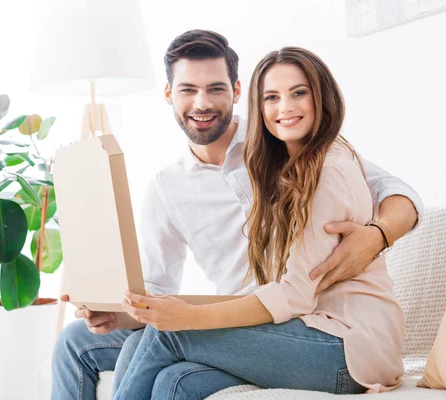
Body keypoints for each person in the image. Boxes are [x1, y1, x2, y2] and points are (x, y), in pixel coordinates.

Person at [51, 31, 422, 400]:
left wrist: (377, 236)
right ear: (169, 95)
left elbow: (398, 193)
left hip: (303, 321)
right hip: (239, 319)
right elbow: (158, 292)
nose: (202, 103)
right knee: (81, 344)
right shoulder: (168, 187)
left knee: (162, 337)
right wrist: (118, 312)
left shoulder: (294, 147)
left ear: (236, 91)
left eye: (215, 88)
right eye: (187, 90)